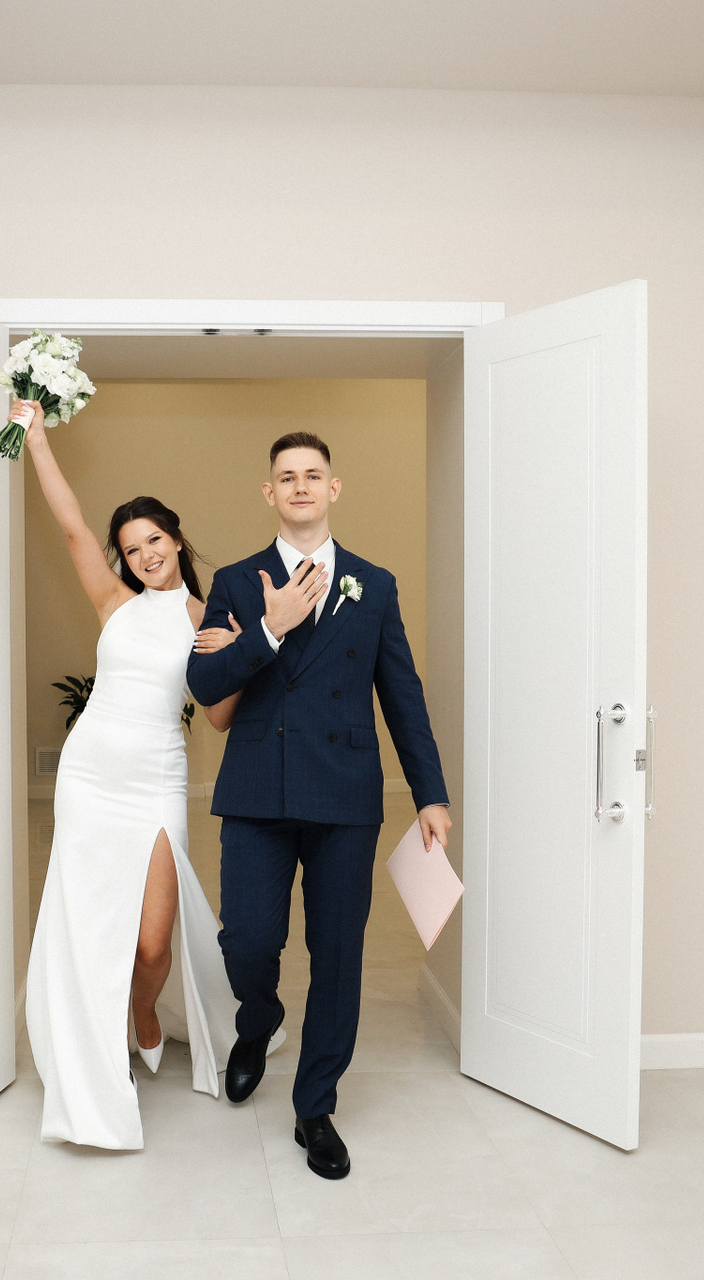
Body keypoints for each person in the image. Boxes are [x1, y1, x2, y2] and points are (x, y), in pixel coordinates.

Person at [186, 431, 451, 1181]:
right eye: (286, 476)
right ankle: (259, 1017)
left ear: (333, 489)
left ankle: (315, 1106)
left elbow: (402, 695)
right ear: (269, 493)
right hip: (256, 793)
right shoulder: (236, 584)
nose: (300, 485)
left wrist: (429, 793)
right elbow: (205, 687)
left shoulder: (375, 584)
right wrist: (269, 628)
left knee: (337, 955)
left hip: (344, 794)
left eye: (313, 474)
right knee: (247, 942)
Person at [16, 400, 263, 1150]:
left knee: (154, 941)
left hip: (157, 781)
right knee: (96, 923)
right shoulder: (113, 602)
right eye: (132, 547)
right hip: (90, 776)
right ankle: (99, 1056)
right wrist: (36, 437)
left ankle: (144, 1011)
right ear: (122, 559)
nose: (146, 553)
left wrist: (242, 654)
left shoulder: (209, 617)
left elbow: (218, 718)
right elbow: (70, 524)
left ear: (176, 538)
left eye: (154, 538)